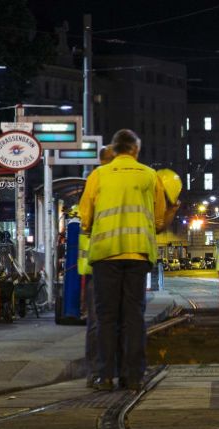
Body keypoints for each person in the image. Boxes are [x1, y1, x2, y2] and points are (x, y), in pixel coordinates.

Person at [78, 129, 178, 391]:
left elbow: (85, 218)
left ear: (115, 149)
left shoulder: (97, 175)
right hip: (138, 254)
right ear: (135, 149)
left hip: (105, 254)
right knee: (133, 316)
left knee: (106, 316)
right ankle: (133, 375)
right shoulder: (149, 175)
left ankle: (104, 375)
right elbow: (157, 220)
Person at [80, 147, 116, 388]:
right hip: (109, 265)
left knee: (97, 323)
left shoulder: (94, 184)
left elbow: (84, 221)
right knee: (113, 321)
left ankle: (98, 372)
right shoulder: (101, 182)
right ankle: (112, 371)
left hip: (95, 268)